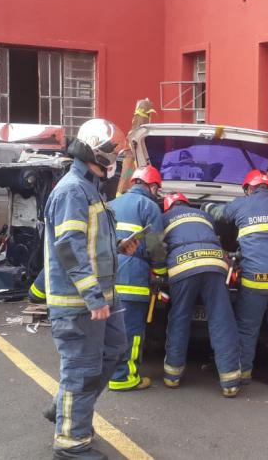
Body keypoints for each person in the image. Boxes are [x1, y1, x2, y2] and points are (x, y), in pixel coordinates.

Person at [43, 118, 139, 460]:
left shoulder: (90, 190)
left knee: (113, 353)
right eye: (111, 150)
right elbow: (68, 247)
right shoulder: (72, 190)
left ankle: (64, 407)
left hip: (102, 301)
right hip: (80, 303)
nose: (115, 157)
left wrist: (119, 246)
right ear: (93, 150)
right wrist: (93, 297)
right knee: (82, 370)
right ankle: (70, 444)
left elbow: (91, 243)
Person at [203, 169, 268, 391]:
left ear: (248, 189)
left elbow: (219, 214)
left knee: (247, 328)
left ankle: (244, 373)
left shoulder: (241, 204)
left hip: (257, 279)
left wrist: (204, 207)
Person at [160, 192, 241, 397]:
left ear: (168, 207)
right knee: (222, 319)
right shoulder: (204, 216)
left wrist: (159, 270)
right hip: (214, 263)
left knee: (180, 317)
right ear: (187, 203)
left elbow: (157, 249)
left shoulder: (162, 218)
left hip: (183, 266)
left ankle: (172, 376)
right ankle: (230, 381)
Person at [107, 166, 167, 391]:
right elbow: (155, 245)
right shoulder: (149, 206)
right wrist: (161, 272)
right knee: (131, 332)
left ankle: (109, 373)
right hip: (132, 279)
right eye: (156, 189)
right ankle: (124, 377)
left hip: (108, 277)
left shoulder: (112, 204)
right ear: (152, 186)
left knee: (111, 329)